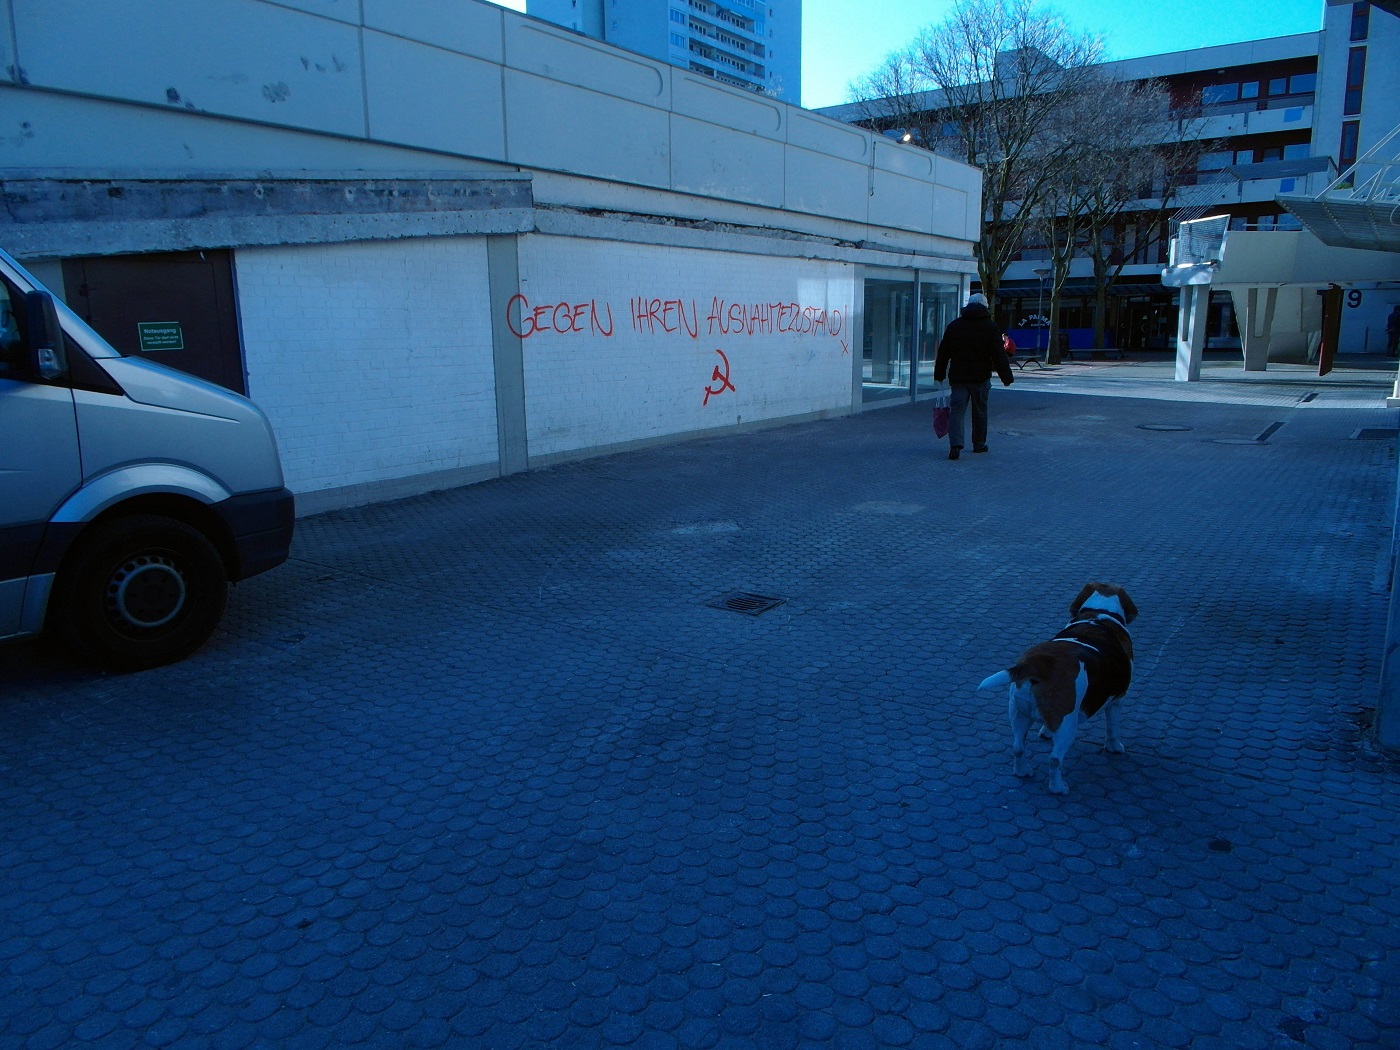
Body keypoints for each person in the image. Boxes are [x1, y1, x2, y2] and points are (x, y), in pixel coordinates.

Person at [933, 292, 1014, 460]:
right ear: (985, 306)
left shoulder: (954, 326)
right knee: (980, 412)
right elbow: (998, 355)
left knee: (957, 411)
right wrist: (1006, 377)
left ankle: (955, 445)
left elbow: (943, 352)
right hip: (980, 378)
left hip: (959, 377)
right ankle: (979, 444)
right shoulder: (990, 327)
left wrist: (939, 374)